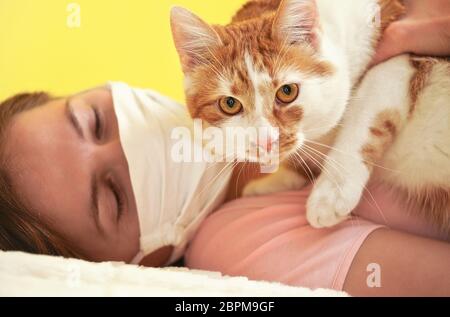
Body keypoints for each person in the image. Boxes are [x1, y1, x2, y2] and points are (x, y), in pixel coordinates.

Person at [1, 0, 449, 296]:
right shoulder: (227, 241)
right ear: (143, 260)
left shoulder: (279, 95)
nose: (125, 145)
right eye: (114, 195)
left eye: (94, 122)